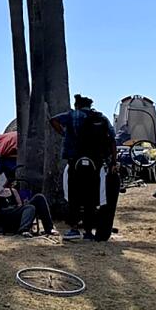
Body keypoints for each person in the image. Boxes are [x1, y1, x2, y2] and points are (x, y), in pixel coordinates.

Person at [51, 94, 116, 241]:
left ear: (77, 105)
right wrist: (113, 162)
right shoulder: (101, 118)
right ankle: (88, 232)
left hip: (75, 161)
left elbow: (53, 120)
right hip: (96, 163)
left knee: (74, 196)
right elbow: (112, 138)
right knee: (91, 198)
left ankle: (74, 229)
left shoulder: (71, 115)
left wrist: (64, 133)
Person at [0, 169, 54, 235]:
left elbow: (20, 205)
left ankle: (49, 229)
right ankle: (23, 230)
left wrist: (23, 205)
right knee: (30, 207)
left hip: (16, 212)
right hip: (5, 215)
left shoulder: (12, 190)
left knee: (39, 197)